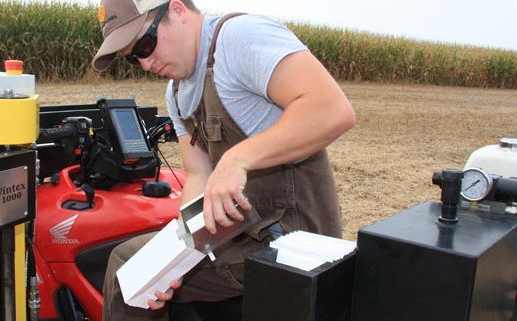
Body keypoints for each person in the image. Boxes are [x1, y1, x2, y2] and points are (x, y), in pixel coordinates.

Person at [92, 0, 355, 319]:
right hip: (235, 233)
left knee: (125, 263)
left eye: (145, 45)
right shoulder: (176, 93)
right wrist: (175, 259)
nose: (145, 63)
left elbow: (331, 109)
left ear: (176, 10)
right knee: (134, 274)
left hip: (292, 236)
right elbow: (198, 175)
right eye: (133, 58)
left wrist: (237, 159)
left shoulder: (240, 38)